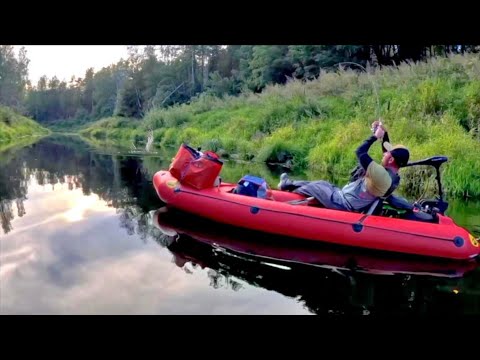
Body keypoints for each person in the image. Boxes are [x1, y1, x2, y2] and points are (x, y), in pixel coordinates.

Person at [278, 121, 410, 212]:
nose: (384, 153)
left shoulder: (381, 175)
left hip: (342, 203)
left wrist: (375, 137)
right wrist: (383, 133)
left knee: (317, 185)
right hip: (345, 198)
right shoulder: (392, 177)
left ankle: (286, 188)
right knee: (323, 184)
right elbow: (387, 152)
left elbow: (360, 152)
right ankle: (288, 184)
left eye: (387, 153)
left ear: (392, 159)